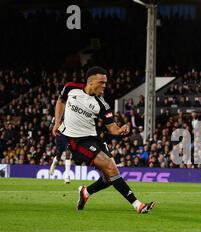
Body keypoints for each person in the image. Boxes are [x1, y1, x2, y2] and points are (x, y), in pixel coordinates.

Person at [52, 66, 156, 213]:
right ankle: (138, 205)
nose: (104, 86)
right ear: (91, 82)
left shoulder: (101, 104)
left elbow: (112, 128)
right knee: (110, 167)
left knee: (110, 176)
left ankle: (86, 192)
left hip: (94, 139)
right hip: (77, 141)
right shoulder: (71, 88)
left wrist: (120, 130)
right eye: (101, 82)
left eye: (105, 82)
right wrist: (57, 122)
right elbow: (60, 101)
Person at [50, 115, 73, 184]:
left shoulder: (70, 115)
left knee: (68, 155)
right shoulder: (56, 116)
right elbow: (51, 127)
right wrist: (55, 128)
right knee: (58, 156)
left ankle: (67, 176)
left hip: (67, 138)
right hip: (59, 138)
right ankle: (54, 164)